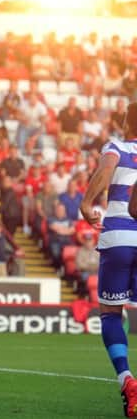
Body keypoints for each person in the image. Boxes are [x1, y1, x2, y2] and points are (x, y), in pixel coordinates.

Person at [84, 102, 137, 416]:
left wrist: (87, 201)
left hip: (118, 235)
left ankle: (127, 379)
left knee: (110, 313)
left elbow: (105, 170)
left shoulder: (116, 146)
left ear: (124, 122)